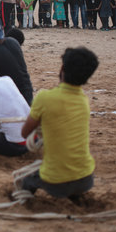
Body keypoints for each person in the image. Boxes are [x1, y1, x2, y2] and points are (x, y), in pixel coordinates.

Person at [21, 47, 98, 199]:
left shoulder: (45, 98)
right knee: (72, 183)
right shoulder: (83, 101)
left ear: (62, 68)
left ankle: (25, 203)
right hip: (86, 178)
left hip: (55, 180)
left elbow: (25, 133)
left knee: (26, 181)